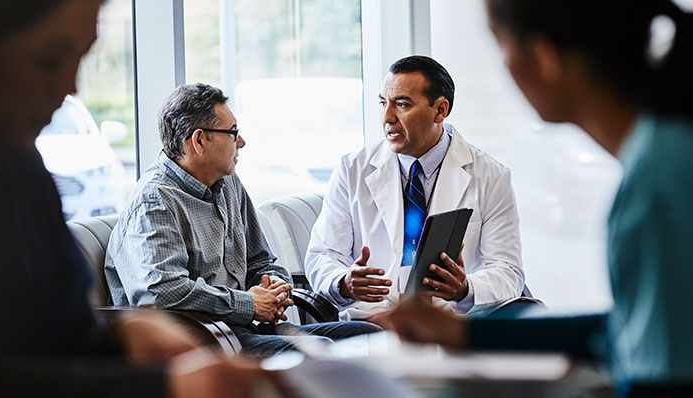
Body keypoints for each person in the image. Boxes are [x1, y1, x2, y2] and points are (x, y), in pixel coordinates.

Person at [381, 0, 693, 395]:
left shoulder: (658, 187)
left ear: (543, 58)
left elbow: (663, 381)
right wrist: (466, 333)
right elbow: (628, 329)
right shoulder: (665, 153)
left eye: (502, 48)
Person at [0, 1, 269, 396]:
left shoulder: (24, 170)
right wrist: (164, 383)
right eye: (49, 60)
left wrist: (120, 331)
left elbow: (61, 330)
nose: (71, 87)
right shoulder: (154, 199)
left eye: (81, 58)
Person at [105, 83, 381, 357]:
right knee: (319, 353)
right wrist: (248, 304)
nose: (242, 142)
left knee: (370, 337)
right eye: (233, 132)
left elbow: (262, 261)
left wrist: (273, 288)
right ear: (199, 140)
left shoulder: (228, 183)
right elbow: (161, 293)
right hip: (197, 345)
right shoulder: (155, 201)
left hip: (241, 330)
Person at [305, 55, 525, 321]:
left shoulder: (490, 176)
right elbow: (322, 254)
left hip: (451, 325)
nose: (387, 117)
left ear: (440, 110)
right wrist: (343, 282)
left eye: (401, 104)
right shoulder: (353, 169)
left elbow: (508, 270)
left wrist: (465, 289)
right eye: (383, 104)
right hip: (373, 322)